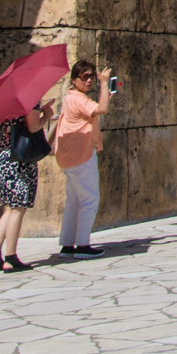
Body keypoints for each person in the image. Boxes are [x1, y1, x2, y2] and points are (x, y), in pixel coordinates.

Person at [53, 59, 115, 257]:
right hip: (81, 155)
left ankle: (67, 244)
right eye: (84, 77)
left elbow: (96, 109)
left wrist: (105, 95)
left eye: (91, 77)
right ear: (74, 79)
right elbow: (102, 110)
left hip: (68, 156)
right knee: (89, 200)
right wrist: (104, 82)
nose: (89, 81)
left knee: (73, 202)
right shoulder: (79, 99)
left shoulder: (70, 97)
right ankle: (82, 245)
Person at [0, 98, 52, 271]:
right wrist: (46, 116)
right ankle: (10, 257)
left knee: (9, 208)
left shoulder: (5, 101)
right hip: (18, 159)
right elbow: (33, 127)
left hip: (2, 156)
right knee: (17, 209)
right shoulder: (29, 99)